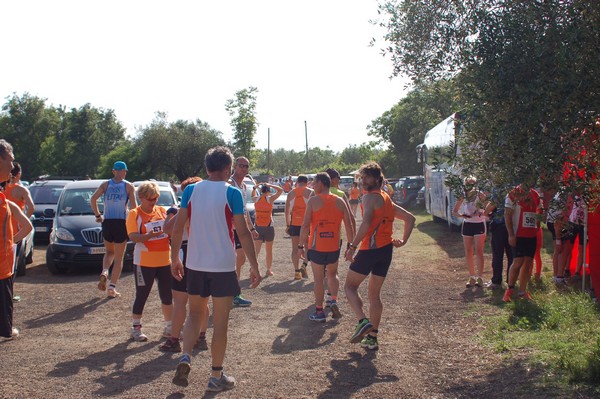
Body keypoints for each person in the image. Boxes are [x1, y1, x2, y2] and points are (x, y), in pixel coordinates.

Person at [170, 146, 261, 391]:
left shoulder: (190, 190)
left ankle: (185, 356)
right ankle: (215, 376)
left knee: (194, 314)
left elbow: (178, 227)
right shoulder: (232, 192)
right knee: (220, 323)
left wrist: (174, 258)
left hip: (195, 264)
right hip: (222, 265)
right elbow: (242, 231)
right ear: (229, 168)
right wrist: (254, 265)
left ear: (207, 167)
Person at [344, 162, 415, 350]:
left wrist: (352, 246)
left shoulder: (369, 198)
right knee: (374, 296)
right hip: (385, 251)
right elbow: (410, 218)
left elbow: (366, 223)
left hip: (370, 250)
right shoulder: (386, 198)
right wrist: (403, 240)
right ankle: (372, 338)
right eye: (361, 177)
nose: (362, 180)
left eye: (366, 177)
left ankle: (362, 321)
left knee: (350, 287)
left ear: (376, 178)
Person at [160, 176, 210, 353]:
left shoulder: (187, 209)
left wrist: (183, 210)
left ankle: (175, 340)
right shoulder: (207, 208)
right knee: (201, 301)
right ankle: (201, 337)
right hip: (201, 255)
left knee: (182, 301)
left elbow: (168, 230)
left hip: (187, 253)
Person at [299, 172, 354, 322]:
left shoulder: (313, 201)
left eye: (315, 183)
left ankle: (319, 312)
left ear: (322, 183)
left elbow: (304, 226)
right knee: (332, 274)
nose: (313, 186)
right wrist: (350, 245)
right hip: (334, 246)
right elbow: (349, 224)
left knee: (318, 279)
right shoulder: (340, 201)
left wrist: (300, 246)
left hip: (317, 246)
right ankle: (333, 301)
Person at [126, 181, 173, 341]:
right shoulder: (134, 214)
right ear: (140, 198)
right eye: (149, 199)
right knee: (142, 294)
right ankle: (136, 327)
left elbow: (170, 231)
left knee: (167, 295)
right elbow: (133, 237)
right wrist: (149, 236)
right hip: (144, 262)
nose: (153, 201)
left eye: (155, 198)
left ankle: (169, 327)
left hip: (165, 260)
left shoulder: (162, 211)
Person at [0, 141, 33, 340]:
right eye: (10, 161)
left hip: (4, 269)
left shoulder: (4, 198)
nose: (13, 166)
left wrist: (9, 244)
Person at [90, 161, 137, 298]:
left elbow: (93, 199)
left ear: (113, 171)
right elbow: (134, 208)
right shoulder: (128, 186)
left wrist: (98, 215)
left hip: (107, 222)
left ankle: (105, 271)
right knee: (118, 257)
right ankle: (112, 287)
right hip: (121, 223)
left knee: (109, 251)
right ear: (125, 172)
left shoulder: (106, 184)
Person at [503, 182, 543, 302]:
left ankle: (522, 291)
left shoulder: (535, 194)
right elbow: (507, 215)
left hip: (531, 235)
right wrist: (510, 234)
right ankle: (509, 289)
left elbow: (539, 212)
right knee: (518, 261)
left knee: (528, 262)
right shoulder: (513, 194)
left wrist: (538, 224)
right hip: (518, 234)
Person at [228, 157, 259, 307]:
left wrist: (251, 227)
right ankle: (234, 293)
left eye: (246, 166)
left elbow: (244, 210)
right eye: (241, 166)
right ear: (234, 166)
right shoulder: (229, 183)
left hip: (240, 228)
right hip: (230, 229)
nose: (244, 169)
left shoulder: (243, 186)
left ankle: (234, 292)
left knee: (239, 260)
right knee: (237, 259)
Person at [452, 176, 489, 288]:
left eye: (473, 183)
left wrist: (481, 213)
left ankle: (480, 277)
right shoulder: (463, 195)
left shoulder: (480, 194)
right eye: (468, 183)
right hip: (467, 224)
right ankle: (472, 276)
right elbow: (455, 212)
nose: (470, 186)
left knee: (479, 251)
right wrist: (464, 215)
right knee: (468, 251)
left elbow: (489, 207)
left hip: (479, 224)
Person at [284, 175, 314, 279]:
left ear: (297, 182)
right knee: (307, 246)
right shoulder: (310, 192)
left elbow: (287, 211)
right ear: (306, 182)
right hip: (307, 224)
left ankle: (296, 271)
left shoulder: (291, 193)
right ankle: (304, 265)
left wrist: (288, 225)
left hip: (294, 223)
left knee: (295, 248)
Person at [252, 183, 283, 276]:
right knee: (268, 250)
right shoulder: (270, 199)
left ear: (261, 191)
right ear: (268, 192)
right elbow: (280, 190)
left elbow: (252, 195)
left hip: (258, 226)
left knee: (256, 250)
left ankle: (252, 269)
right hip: (268, 227)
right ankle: (268, 270)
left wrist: (254, 188)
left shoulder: (256, 199)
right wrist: (270, 184)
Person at [484, 187, 514, 289]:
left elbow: (491, 206)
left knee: (497, 254)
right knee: (511, 255)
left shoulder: (499, 189)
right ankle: (511, 280)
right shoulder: (516, 189)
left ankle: (496, 281)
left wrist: (486, 213)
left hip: (499, 225)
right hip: (513, 226)